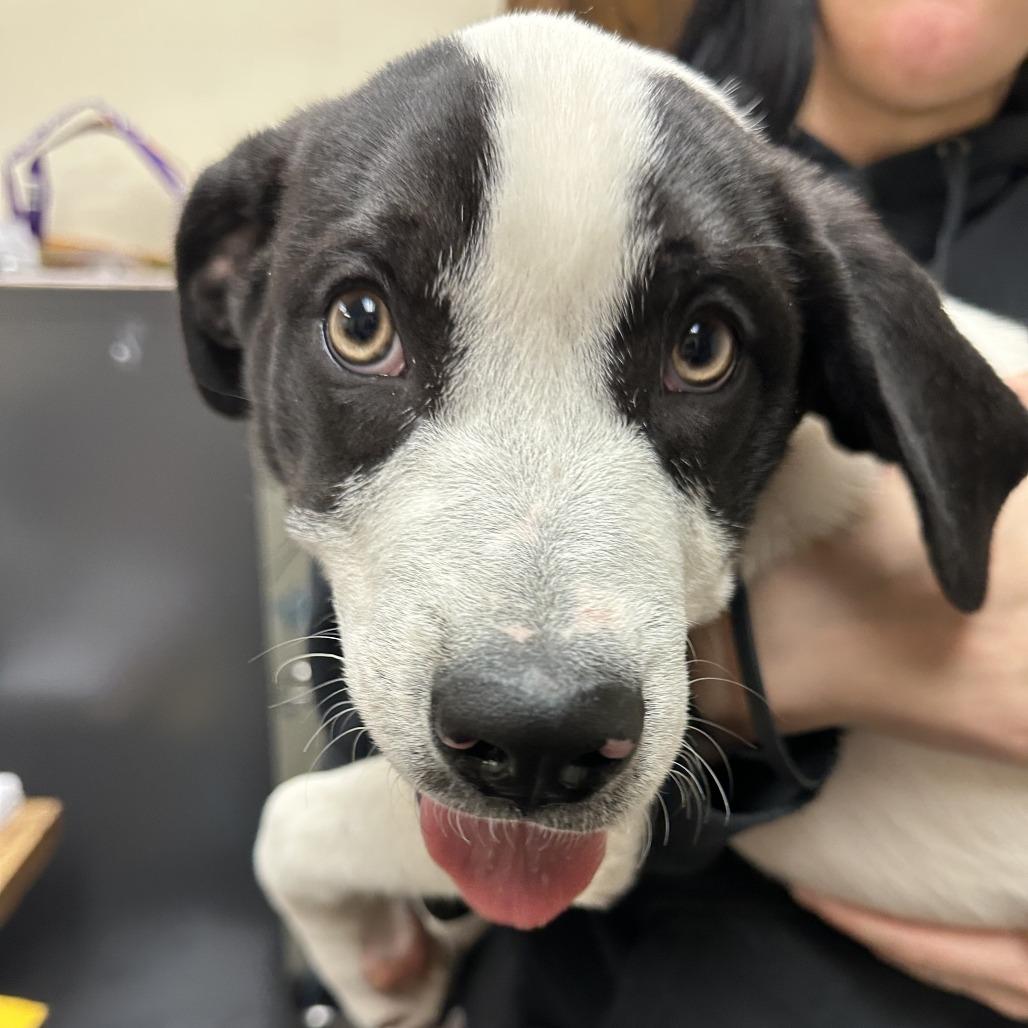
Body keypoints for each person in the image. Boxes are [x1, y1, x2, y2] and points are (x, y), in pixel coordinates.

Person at [306, 2, 1028, 1023]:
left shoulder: (803, 260)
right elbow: (364, 731)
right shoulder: (521, 126)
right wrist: (776, 661)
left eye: (699, 346)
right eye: (362, 321)